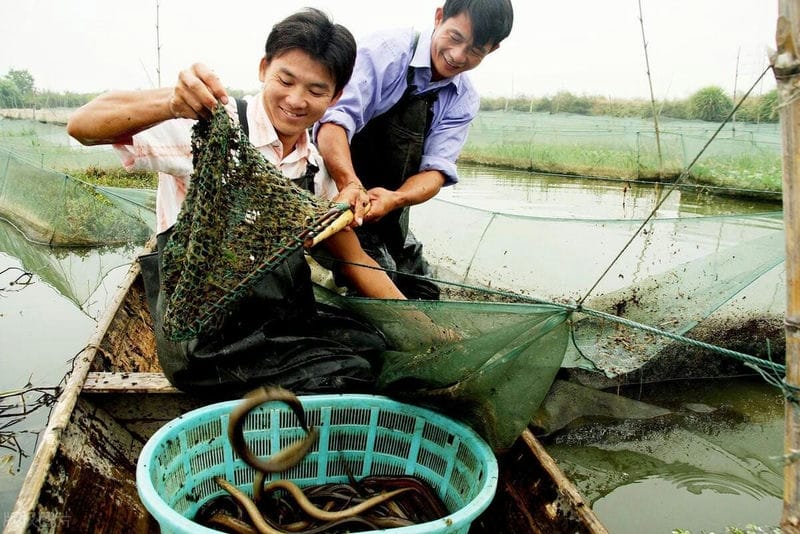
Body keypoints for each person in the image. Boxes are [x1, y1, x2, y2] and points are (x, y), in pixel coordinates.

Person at [67, 8, 403, 397]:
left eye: (315, 90)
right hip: (204, 338)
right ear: (264, 68)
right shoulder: (212, 127)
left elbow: (351, 255)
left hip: (277, 322)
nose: (296, 100)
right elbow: (83, 126)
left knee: (377, 347)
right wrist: (170, 103)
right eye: (286, 80)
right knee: (346, 374)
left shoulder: (315, 166)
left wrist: (420, 322)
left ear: (335, 96)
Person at [315, 0, 514, 300]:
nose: (458, 56)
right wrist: (350, 184)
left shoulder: (463, 99)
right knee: (379, 278)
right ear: (438, 17)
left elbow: (435, 172)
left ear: (492, 50)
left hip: (387, 207)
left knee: (424, 291)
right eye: (455, 37)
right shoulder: (385, 53)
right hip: (334, 192)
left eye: (475, 50)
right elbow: (333, 124)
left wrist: (396, 199)